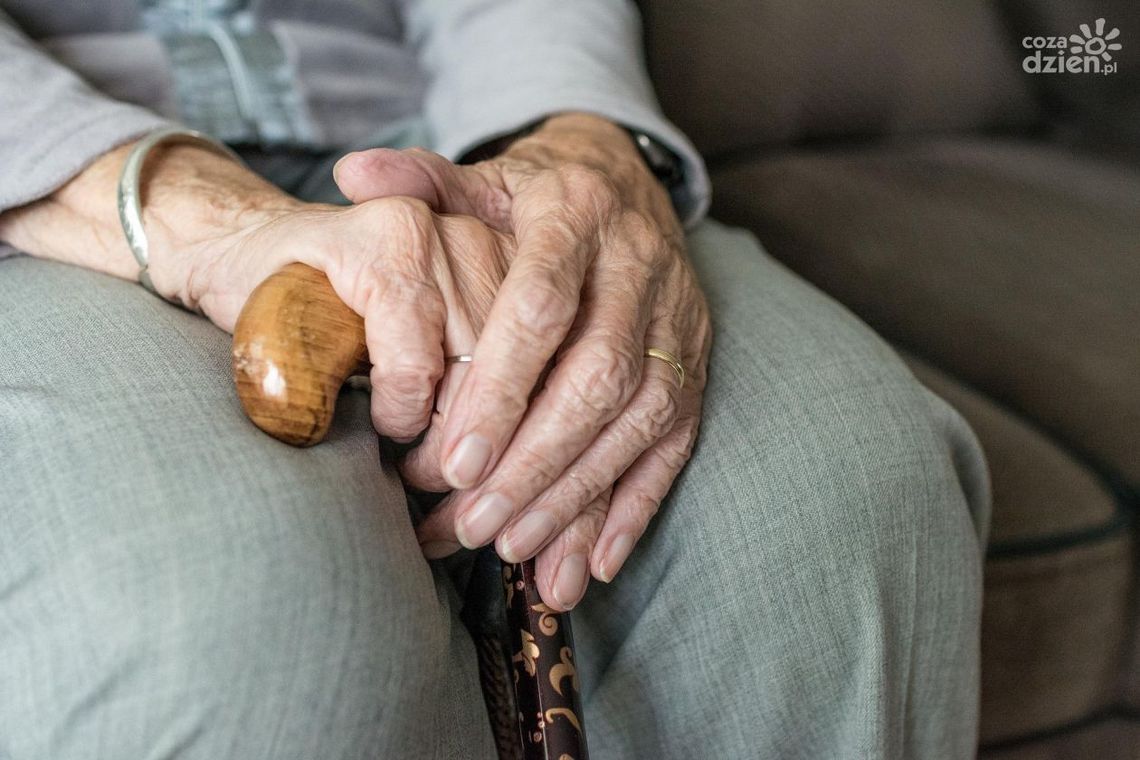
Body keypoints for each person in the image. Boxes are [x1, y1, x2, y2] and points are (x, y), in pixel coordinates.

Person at [0, 1, 990, 758]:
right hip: (46, 188)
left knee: (845, 499)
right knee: (232, 624)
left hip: (444, 148)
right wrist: (190, 213)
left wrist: (581, 142)